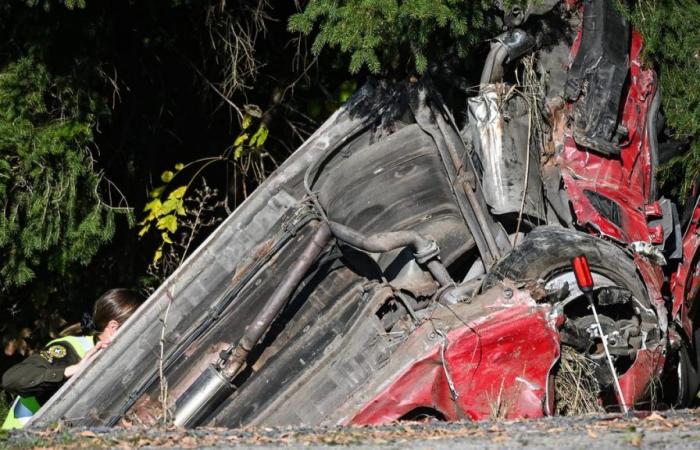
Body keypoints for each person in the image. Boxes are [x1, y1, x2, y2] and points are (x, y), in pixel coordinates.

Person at [1, 289, 143, 429]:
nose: (141, 337)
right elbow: (11, 379)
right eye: (137, 329)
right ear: (113, 327)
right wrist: (72, 370)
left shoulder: (121, 361)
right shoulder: (70, 349)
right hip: (20, 438)